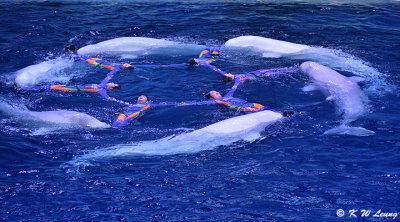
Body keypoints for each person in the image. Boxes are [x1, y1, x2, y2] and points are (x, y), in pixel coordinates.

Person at [17, 67, 130, 105]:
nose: (112, 82)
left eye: (113, 84)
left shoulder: (102, 90)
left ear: (111, 88)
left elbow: (109, 98)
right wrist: (118, 68)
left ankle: (22, 89)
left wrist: (125, 103)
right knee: (48, 87)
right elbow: (109, 75)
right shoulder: (103, 84)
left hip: (71, 89)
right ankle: (25, 89)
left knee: (49, 87)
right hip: (72, 86)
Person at [112, 95, 177, 127]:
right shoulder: (131, 104)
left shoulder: (149, 105)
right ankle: (112, 128)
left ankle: (117, 129)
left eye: (144, 97)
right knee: (116, 122)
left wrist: (177, 104)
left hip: (136, 113)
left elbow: (162, 105)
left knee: (125, 121)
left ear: (147, 101)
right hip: (125, 113)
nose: (141, 96)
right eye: (140, 96)